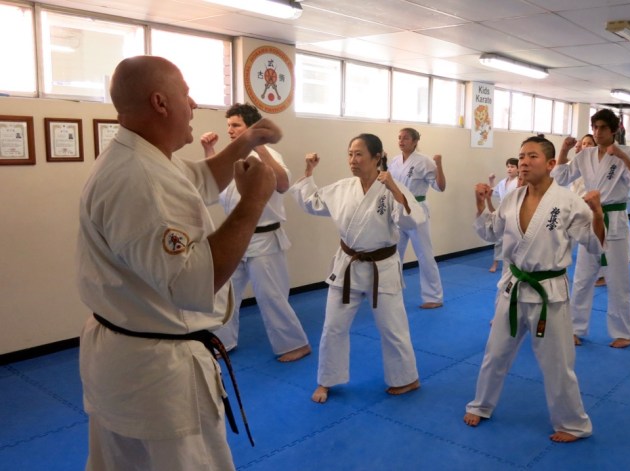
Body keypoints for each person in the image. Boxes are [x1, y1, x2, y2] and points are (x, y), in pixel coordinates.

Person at [77, 56, 282, 470]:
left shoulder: (140, 155)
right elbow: (195, 283)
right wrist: (254, 201)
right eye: (186, 95)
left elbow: (202, 178)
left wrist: (246, 142)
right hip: (158, 375)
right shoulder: (141, 179)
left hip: (124, 356)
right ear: (160, 102)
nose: (193, 105)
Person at [463, 135, 605, 442]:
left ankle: (573, 423)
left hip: (549, 292)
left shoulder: (568, 202)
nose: (524, 162)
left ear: (552, 164)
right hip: (512, 288)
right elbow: (491, 232)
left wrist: (597, 214)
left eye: (532, 157)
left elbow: (594, 246)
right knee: (494, 353)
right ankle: (481, 404)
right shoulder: (512, 199)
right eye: (521, 156)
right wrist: (480, 202)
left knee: (558, 364)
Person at [289, 134, 423, 404]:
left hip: (381, 267)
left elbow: (411, 221)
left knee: (393, 327)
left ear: (377, 157)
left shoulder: (391, 187)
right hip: (348, 266)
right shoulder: (342, 188)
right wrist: (309, 173)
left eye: (359, 154)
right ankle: (327, 380)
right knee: (333, 327)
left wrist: (395, 190)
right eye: (350, 153)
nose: (352, 160)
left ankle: (406, 378)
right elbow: (312, 203)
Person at [199, 104, 310, 362]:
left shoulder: (269, 154)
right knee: (223, 294)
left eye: (236, 125)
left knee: (271, 296)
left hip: (264, 239)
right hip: (235, 237)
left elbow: (282, 184)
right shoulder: (229, 155)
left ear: (251, 127)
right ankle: (223, 341)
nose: (230, 130)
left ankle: (295, 344)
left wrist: (258, 144)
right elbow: (212, 189)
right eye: (228, 126)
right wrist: (209, 151)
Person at [552, 109, 630, 348]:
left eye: (602, 128)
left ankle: (623, 332)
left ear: (614, 129)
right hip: (590, 219)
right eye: (594, 127)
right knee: (583, 278)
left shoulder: (628, 152)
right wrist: (563, 151)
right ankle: (575, 328)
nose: (597, 132)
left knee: (618, 280)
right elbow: (562, 177)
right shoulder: (585, 155)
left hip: (614, 220)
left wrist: (622, 156)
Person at [389, 127, 446, 309]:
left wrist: (439, 165)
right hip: (397, 210)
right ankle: (390, 292)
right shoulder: (394, 161)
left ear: (415, 142)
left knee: (424, 254)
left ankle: (434, 297)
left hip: (416, 210)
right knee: (393, 254)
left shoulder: (425, 161)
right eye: (399, 138)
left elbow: (440, 187)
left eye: (405, 138)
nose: (401, 141)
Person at [571, 134, 607, 287]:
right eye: (583, 144)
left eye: (588, 143)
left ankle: (602, 274)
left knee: (595, 243)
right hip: (576, 208)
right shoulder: (575, 164)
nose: (585, 146)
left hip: (593, 208)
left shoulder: (598, 166)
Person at [487, 157, 519, 273]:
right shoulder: (503, 182)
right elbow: (493, 192)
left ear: (518, 169)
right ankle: (495, 263)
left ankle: (513, 262)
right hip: (501, 212)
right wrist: (491, 180)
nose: (509, 169)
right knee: (499, 238)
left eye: (512, 166)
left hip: (514, 212)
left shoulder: (519, 182)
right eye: (508, 166)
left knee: (512, 238)